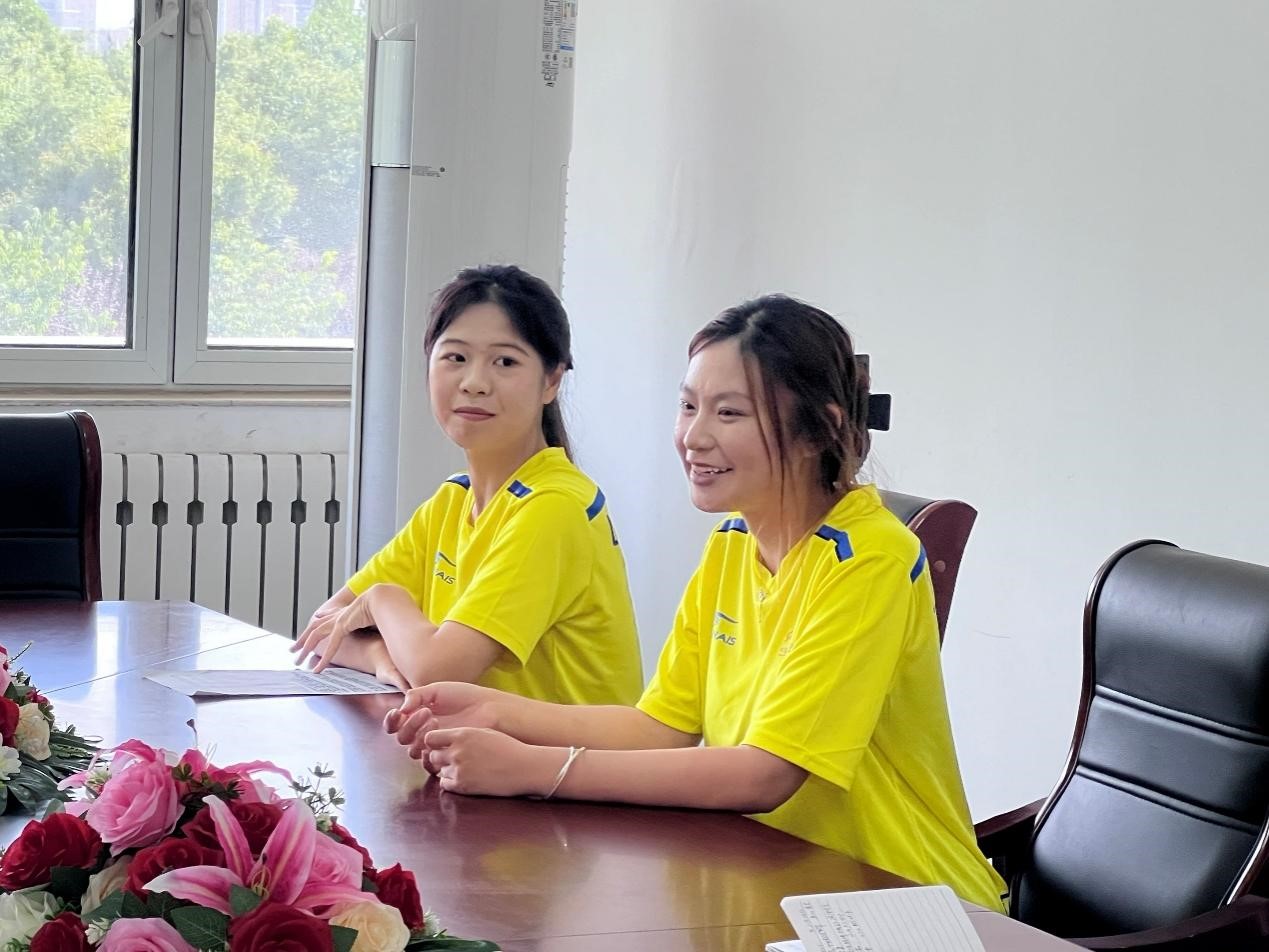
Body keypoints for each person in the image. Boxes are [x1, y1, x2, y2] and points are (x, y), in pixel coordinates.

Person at [383, 294, 1007, 910]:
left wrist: (535, 769)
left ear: (819, 429)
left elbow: (766, 773)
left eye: (729, 413)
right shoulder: (732, 543)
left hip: (898, 895)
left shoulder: (871, 558)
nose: (694, 437)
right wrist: (497, 711)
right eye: (688, 406)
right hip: (774, 877)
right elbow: (662, 727)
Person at [292, 264, 642, 705]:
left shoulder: (554, 507)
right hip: (473, 743)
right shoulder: (453, 501)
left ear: (552, 381)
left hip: (555, 752)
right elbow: (323, 627)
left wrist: (382, 600)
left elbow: (439, 670)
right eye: (455, 358)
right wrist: (382, 658)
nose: (474, 383)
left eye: (505, 362)